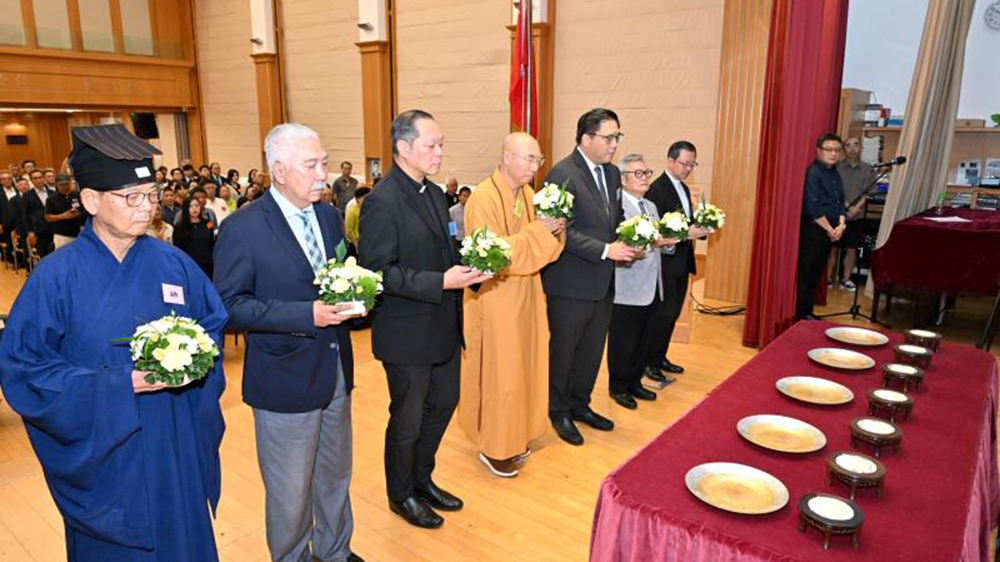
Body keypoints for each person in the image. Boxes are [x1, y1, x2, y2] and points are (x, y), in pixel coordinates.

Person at [0, 123, 227, 561]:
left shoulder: (174, 263)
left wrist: (194, 355)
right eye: (132, 197)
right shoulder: (55, 277)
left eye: (152, 195)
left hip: (174, 443)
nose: (148, 208)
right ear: (90, 201)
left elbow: (212, 324)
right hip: (106, 455)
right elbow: (25, 371)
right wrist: (121, 384)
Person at [214, 124, 364, 562]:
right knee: (290, 492)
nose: (323, 174)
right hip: (284, 378)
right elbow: (229, 308)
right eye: (311, 165)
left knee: (335, 476)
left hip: (335, 369)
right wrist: (305, 314)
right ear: (278, 171)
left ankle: (335, 551)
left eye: (324, 163)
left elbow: (337, 277)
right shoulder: (243, 228)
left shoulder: (328, 217)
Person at [359, 109, 489, 529]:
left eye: (441, 144)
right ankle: (400, 495)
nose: (439, 152)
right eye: (431, 145)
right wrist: (441, 280)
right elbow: (378, 272)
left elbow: (444, 250)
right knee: (408, 420)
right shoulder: (381, 201)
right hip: (407, 332)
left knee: (443, 406)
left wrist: (472, 264)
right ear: (403, 147)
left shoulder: (434, 194)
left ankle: (422, 478)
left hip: (443, 325)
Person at [458, 133, 565, 477]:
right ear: (506, 157)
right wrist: (540, 232)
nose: (535, 167)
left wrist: (555, 230)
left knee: (526, 366)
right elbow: (491, 254)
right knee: (501, 373)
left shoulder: (530, 195)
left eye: (538, 160)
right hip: (496, 297)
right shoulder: (482, 198)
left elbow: (544, 247)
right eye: (529, 159)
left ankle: (518, 434)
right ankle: (495, 447)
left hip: (529, 291)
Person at [542, 108, 637, 447]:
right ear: (586, 139)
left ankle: (580, 404)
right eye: (608, 137)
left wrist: (634, 236)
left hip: (602, 281)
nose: (614, 144)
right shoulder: (562, 174)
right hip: (570, 282)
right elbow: (560, 231)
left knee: (592, 351)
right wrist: (607, 250)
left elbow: (615, 218)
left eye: (617, 137)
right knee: (564, 351)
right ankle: (558, 411)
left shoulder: (611, 173)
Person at [607, 154, 677, 410]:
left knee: (643, 338)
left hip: (652, 284)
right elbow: (623, 246)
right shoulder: (616, 207)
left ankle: (635, 382)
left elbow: (659, 243)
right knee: (624, 340)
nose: (645, 178)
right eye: (638, 173)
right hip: (628, 285)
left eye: (646, 172)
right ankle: (618, 387)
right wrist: (654, 243)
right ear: (623, 179)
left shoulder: (650, 206)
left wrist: (669, 242)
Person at [645, 141, 711, 380]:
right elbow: (655, 231)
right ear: (671, 161)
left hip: (682, 261)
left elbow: (685, 223)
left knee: (672, 314)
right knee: (661, 315)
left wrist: (700, 228)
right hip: (664, 263)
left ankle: (660, 356)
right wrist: (686, 233)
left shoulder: (683, 187)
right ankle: (649, 362)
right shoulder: (657, 190)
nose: (688, 169)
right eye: (685, 163)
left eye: (693, 164)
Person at [797, 133, 846, 320]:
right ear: (819, 151)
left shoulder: (835, 173)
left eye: (837, 150)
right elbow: (812, 207)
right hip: (814, 230)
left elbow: (840, 201)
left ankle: (808, 313)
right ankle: (802, 315)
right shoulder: (813, 173)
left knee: (816, 273)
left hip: (831, 230)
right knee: (807, 274)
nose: (834, 154)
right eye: (829, 149)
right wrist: (830, 229)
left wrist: (841, 225)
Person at [829, 136, 875, 290]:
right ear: (844, 150)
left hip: (857, 215)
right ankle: (828, 279)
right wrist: (848, 206)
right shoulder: (836, 167)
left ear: (861, 148)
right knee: (832, 248)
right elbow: (833, 190)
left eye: (855, 145)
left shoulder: (868, 169)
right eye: (848, 146)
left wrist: (857, 207)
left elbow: (869, 192)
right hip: (836, 214)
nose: (852, 149)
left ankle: (846, 279)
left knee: (852, 248)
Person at [174, 196, 215, 278]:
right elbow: (178, 248)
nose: (194, 209)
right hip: (190, 265)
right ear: (185, 209)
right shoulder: (180, 227)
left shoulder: (208, 223)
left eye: (197, 205)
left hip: (208, 264)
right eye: (191, 206)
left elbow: (212, 243)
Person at [44, 172, 83, 249]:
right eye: (62, 185)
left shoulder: (78, 195)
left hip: (79, 233)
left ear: (70, 183)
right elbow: (48, 217)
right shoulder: (51, 199)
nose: (65, 187)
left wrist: (78, 213)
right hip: (61, 235)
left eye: (66, 184)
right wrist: (62, 216)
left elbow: (86, 211)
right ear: (56, 185)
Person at [23, 168, 55, 256]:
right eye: (35, 178)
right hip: (39, 230)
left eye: (40, 177)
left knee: (56, 253)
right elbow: (25, 215)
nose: (38, 180)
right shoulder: (27, 195)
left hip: (54, 228)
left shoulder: (52, 193)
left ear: (43, 178)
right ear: (31, 180)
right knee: (44, 255)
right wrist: (30, 231)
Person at [344, 187, 370, 255]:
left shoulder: (370, 208)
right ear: (357, 199)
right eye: (363, 198)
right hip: (356, 243)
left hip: (368, 241)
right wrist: (356, 244)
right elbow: (348, 230)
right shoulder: (352, 210)